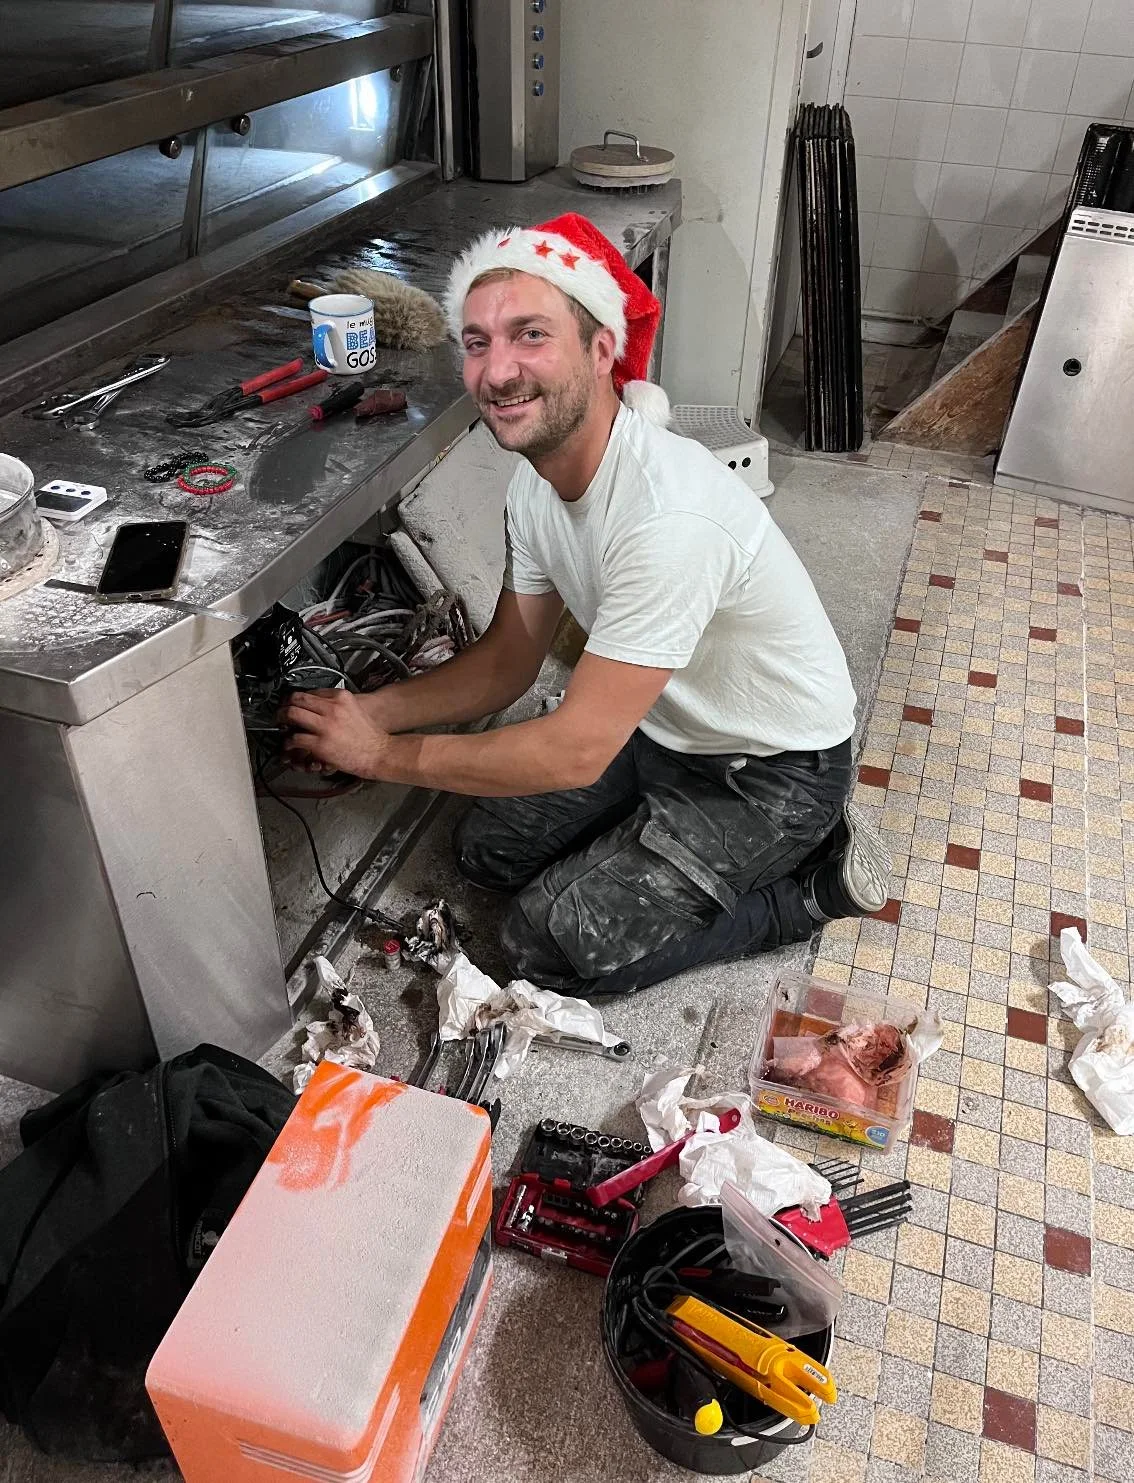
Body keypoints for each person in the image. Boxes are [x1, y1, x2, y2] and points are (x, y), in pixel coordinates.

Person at [281, 212, 891, 998]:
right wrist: (366, 714)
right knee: (485, 852)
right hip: (662, 732)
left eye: (530, 335)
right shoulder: (538, 482)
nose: (497, 372)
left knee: (546, 945)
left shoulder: (667, 518)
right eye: (478, 342)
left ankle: (807, 887)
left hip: (770, 771)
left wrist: (381, 756)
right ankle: (662, 840)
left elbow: (573, 749)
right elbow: (506, 663)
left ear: (601, 351)